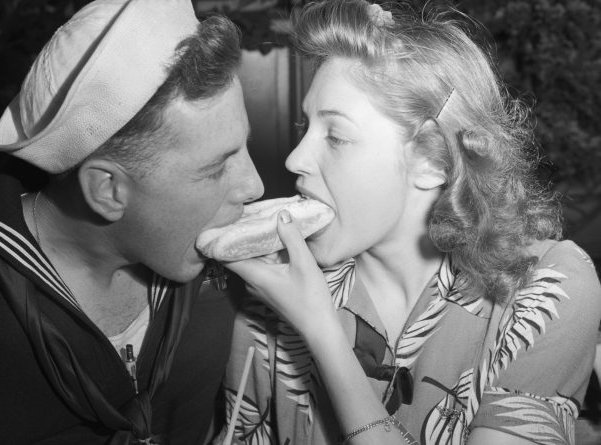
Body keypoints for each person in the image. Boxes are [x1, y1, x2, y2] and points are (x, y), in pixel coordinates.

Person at [217, 1, 601, 444]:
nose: (294, 158)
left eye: (336, 136)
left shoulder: (546, 288)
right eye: (306, 127)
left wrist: (321, 330)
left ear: (431, 159)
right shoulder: (272, 295)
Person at [0, 0, 264, 444]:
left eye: (244, 146)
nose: (255, 186)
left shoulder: (233, 275)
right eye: (216, 168)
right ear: (107, 190)